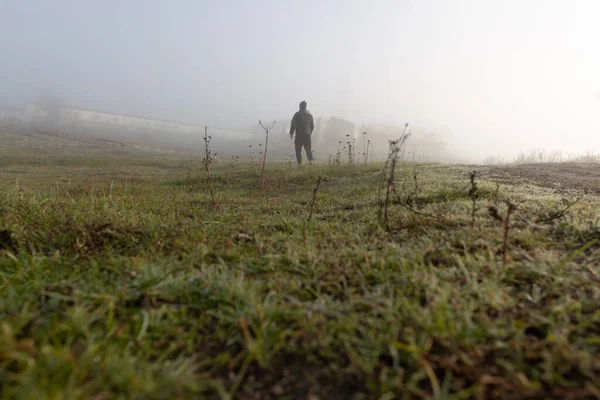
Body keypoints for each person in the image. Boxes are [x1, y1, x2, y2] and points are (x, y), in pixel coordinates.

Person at [289, 101, 314, 166]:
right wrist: (309, 133)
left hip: (299, 135)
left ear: (300, 106)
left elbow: (293, 124)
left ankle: (300, 164)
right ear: (305, 106)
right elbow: (312, 126)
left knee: (298, 150)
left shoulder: (297, 114)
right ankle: (311, 161)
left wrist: (291, 132)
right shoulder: (310, 115)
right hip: (307, 134)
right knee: (308, 148)